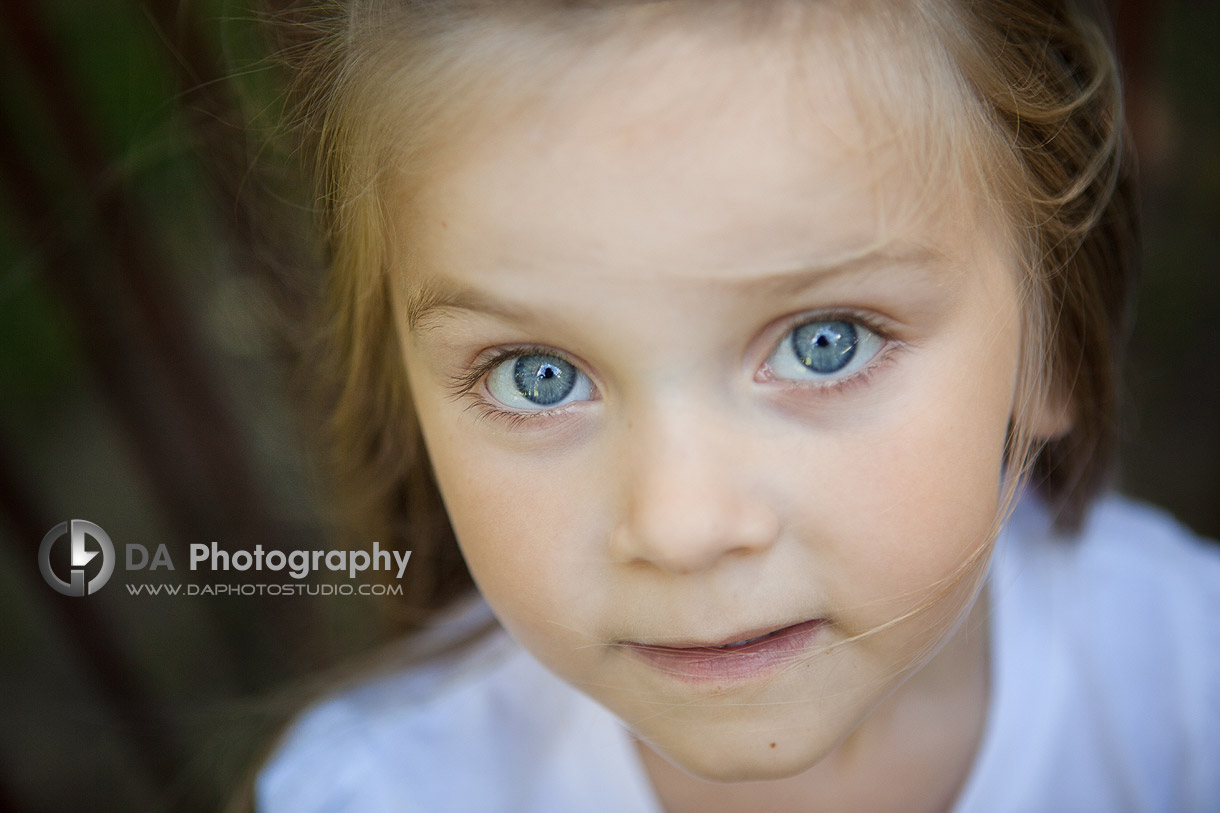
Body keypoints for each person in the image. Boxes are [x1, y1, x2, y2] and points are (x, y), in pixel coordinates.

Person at [255, 1, 1220, 810]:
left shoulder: (1185, 678)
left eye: (823, 342)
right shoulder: (376, 792)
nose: (682, 528)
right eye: (535, 373)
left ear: (1050, 337)